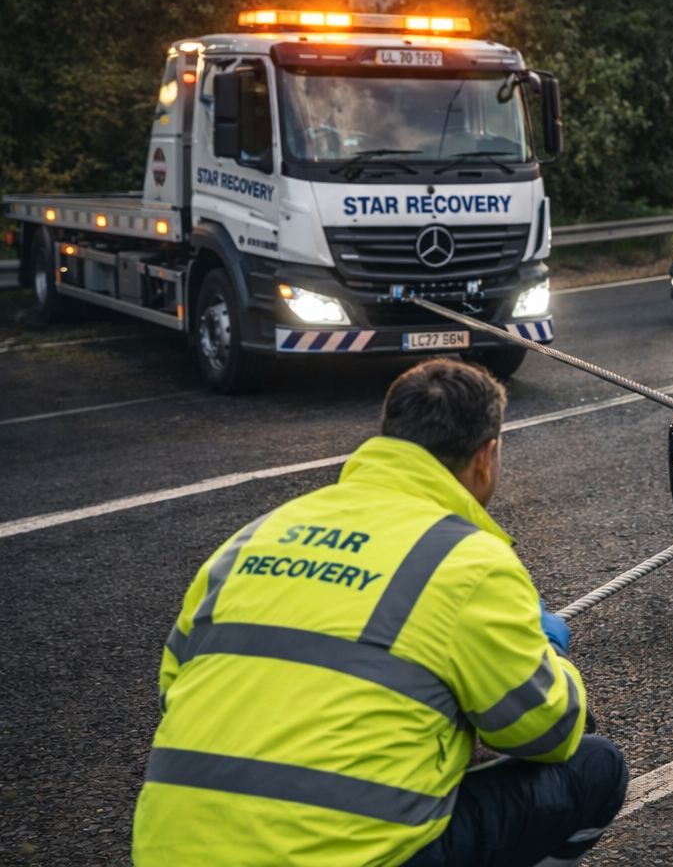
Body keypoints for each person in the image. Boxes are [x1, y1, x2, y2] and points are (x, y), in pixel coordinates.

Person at [133, 358, 628, 866]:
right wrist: (547, 649)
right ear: (487, 456)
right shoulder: (469, 560)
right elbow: (546, 732)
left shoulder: (248, 540)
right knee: (596, 768)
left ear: (388, 437)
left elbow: (174, 689)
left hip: (167, 850)